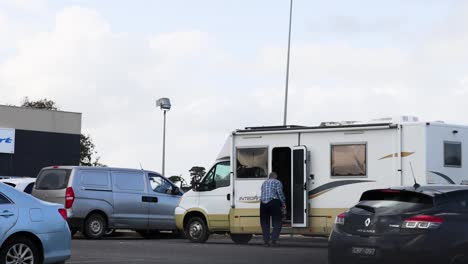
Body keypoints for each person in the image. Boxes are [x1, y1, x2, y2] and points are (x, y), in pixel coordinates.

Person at [260, 171, 286, 247]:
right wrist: (283, 202)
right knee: (277, 222)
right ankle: (273, 240)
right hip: (274, 202)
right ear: (275, 176)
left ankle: (266, 241)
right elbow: (279, 192)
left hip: (263, 203)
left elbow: (262, 193)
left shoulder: (264, 183)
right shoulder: (277, 182)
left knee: (264, 223)